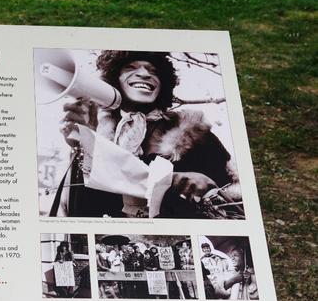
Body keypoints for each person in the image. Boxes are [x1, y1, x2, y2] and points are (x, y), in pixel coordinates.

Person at [59, 50, 240, 218]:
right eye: (130, 68)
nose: (145, 74)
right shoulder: (99, 133)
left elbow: (233, 203)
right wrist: (85, 144)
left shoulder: (194, 133)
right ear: (113, 80)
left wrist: (204, 187)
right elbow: (82, 212)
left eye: (154, 71)